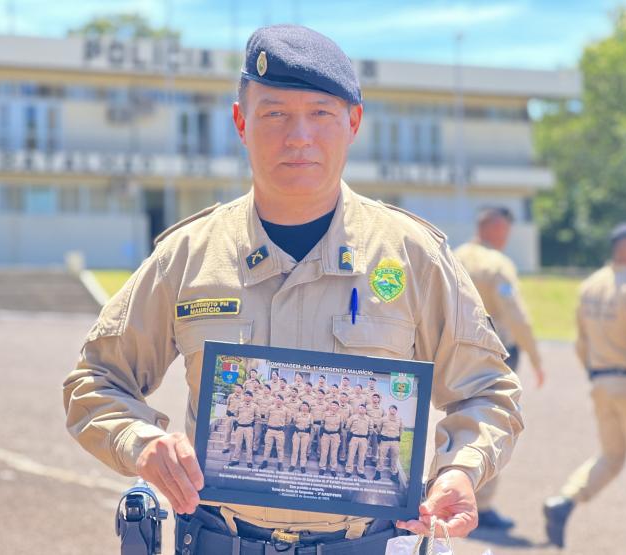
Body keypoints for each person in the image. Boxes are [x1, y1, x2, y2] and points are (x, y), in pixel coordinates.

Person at [63, 24, 523, 553]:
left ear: (353, 122)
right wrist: (142, 445)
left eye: (321, 114)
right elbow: (95, 380)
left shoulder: (413, 256)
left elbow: (488, 391)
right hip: (220, 539)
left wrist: (461, 470)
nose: (298, 136)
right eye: (275, 113)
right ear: (241, 122)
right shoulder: (188, 256)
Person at [543, 223, 626, 555]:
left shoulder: (589, 287)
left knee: (611, 457)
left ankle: (565, 500)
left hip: (601, 382)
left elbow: (580, 344)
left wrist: (597, 375)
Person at [454, 205, 545, 530]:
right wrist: (535, 358)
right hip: (496, 353)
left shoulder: (454, 255)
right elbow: (515, 313)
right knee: (494, 424)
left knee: (457, 421)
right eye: (505, 229)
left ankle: (450, 488)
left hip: (457, 353)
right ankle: (482, 502)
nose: (507, 236)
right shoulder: (497, 264)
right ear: (494, 228)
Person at [374, 405, 404, 483]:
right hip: (385, 441)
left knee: (394, 458)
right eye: (392, 409)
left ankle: (393, 475)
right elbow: (378, 429)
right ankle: (378, 473)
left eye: (395, 409)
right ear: (389, 409)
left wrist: (398, 437)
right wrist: (382, 436)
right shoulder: (383, 419)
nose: (393, 410)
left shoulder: (399, 419)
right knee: (381, 457)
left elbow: (401, 429)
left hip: (395, 441)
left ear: (396, 411)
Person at [228, 392, 257, 468]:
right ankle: (235, 460)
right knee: (238, 444)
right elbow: (235, 414)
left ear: (251, 397)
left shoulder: (255, 406)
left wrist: (252, 422)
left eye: (249, 396)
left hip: (249, 428)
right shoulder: (239, 405)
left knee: (249, 445)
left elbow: (257, 416)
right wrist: (238, 421)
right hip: (240, 427)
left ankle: (249, 461)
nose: (247, 397)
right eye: (246, 395)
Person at [345, 404, 372, 479]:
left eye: (363, 408)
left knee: (362, 456)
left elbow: (370, 429)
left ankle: (360, 471)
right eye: (360, 408)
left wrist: (367, 438)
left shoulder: (368, 418)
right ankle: (348, 470)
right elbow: (347, 427)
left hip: (363, 439)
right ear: (358, 409)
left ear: (365, 410)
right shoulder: (353, 417)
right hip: (354, 437)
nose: (362, 409)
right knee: (351, 455)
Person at [289, 401, 313, 473]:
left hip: (305, 433)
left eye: (306, 406)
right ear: (300, 407)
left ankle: (303, 465)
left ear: (308, 408)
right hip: (297, 432)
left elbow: (311, 424)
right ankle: (292, 465)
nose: (304, 407)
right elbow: (294, 422)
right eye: (302, 405)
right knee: (295, 450)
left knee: (303, 450)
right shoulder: (297, 414)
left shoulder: (310, 415)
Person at [222, 384, 244, 454]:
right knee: (228, 432)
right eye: (236, 387)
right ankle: (226, 447)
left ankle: (238, 448)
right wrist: (227, 413)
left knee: (238, 434)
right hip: (230, 417)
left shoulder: (243, 397)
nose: (237, 389)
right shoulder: (230, 396)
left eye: (239, 387)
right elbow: (227, 405)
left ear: (241, 389)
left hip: (238, 417)